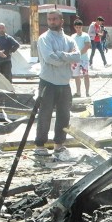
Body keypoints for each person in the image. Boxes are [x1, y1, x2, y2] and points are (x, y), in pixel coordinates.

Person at [34, 9, 81, 158]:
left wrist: (61, 55)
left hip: (64, 83)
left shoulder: (69, 39)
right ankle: (40, 145)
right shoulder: (44, 39)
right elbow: (50, 59)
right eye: (49, 19)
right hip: (48, 82)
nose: (51, 22)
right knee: (45, 114)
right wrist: (67, 57)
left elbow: (78, 56)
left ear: (61, 20)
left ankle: (59, 145)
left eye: (54, 19)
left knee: (64, 115)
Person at [70, 19, 91, 96]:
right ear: (75, 27)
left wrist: (79, 53)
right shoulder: (72, 37)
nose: (78, 29)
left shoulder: (85, 36)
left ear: (82, 27)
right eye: (77, 27)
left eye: (80, 27)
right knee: (76, 76)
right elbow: (71, 47)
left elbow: (87, 46)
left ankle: (87, 92)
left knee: (86, 75)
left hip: (84, 59)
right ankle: (78, 92)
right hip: (75, 60)